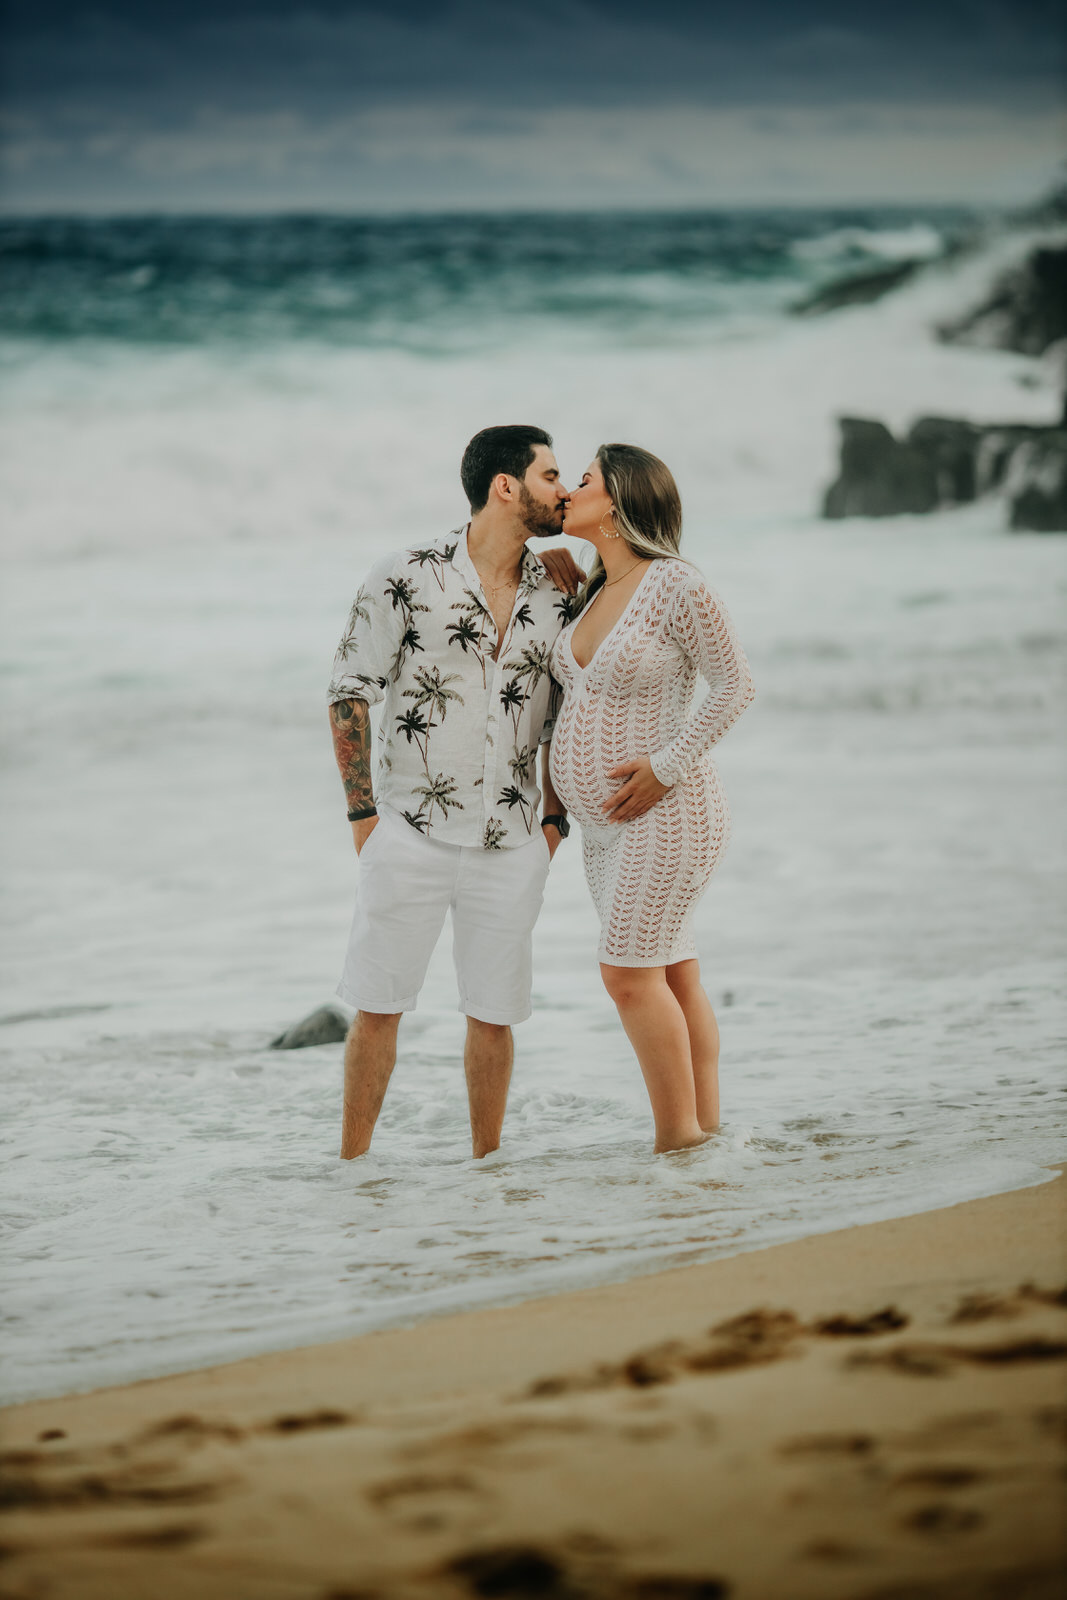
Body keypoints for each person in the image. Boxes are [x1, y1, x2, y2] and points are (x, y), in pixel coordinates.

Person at [327, 425, 581, 1160]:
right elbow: (349, 690)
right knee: (378, 1008)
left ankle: (487, 1174)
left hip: (513, 839)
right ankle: (354, 1171)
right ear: (506, 486)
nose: (563, 491)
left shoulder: (561, 590)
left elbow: (572, 707)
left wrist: (555, 822)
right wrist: (363, 815)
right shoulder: (404, 574)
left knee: (494, 1016)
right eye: (550, 475)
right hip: (408, 830)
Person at [549, 443, 754, 1153]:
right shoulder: (594, 589)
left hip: (669, 813)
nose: (569, 491)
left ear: (619, 501)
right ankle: (706, 1136)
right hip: (606, 829)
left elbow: (735, 685)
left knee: (627, 977)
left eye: (582, 482)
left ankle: (676, 1145)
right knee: (669, 971)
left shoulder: (674, 584)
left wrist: (667, 766)